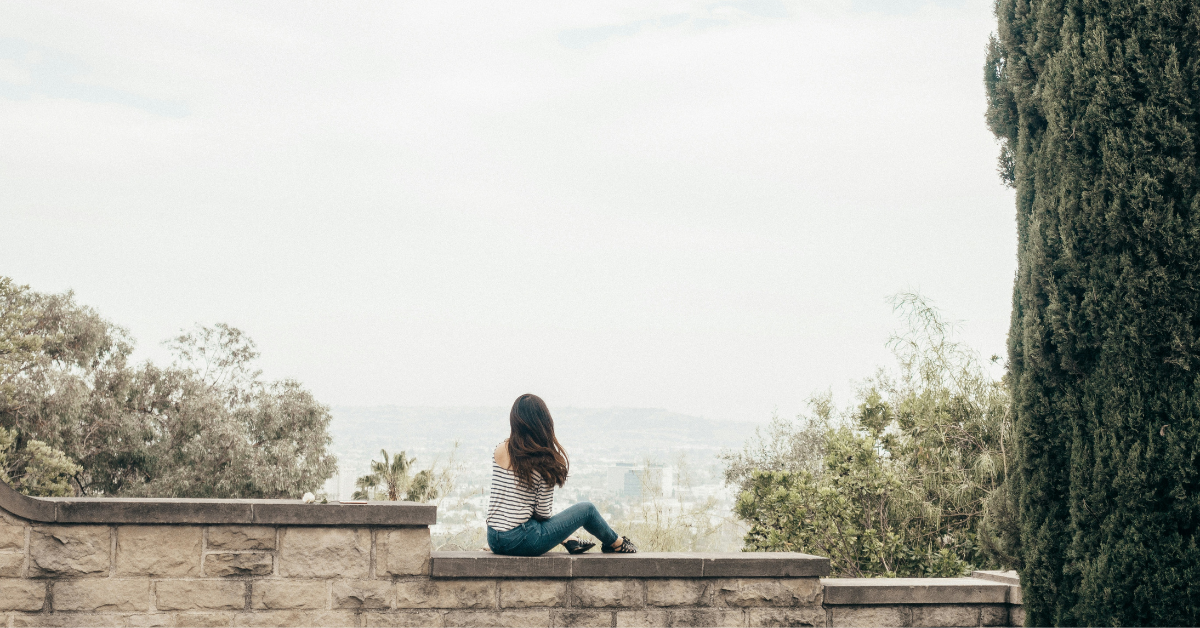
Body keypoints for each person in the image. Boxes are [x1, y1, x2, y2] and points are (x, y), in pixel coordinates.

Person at [485, 393, 637, 556]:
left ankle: (569, 539)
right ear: (544, 422)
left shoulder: (499, 450)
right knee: (587, 509)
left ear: (514, 420)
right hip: (522, 542)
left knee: (538, 523)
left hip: (494, 539)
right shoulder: (543, 461)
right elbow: (543, 513)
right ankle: (616, 543)